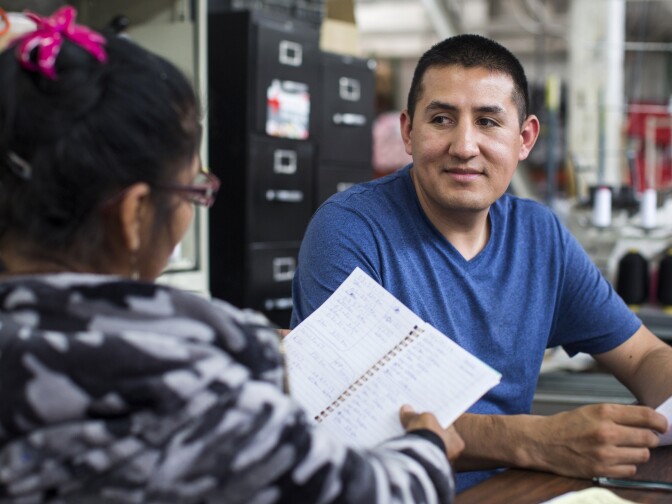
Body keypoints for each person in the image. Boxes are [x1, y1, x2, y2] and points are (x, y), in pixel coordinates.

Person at [0, 7, 465, 503]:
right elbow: (369, 495)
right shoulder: (189, 387)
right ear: (133, 215)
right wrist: (428, 449)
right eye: (192, 189)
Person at [291, 33, 672, 493]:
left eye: (488, 121)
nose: (464, 145)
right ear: (408, 132)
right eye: (442, 119)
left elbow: (645, 354)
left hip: (510, 491)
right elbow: (353, 412)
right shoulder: (351, 230)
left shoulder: (539, 236)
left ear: (524, 137)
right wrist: (536, 440)